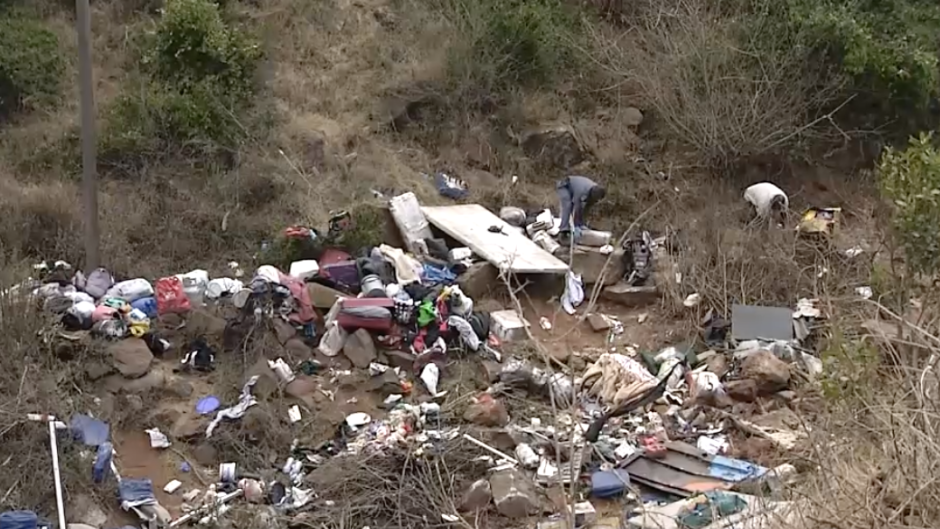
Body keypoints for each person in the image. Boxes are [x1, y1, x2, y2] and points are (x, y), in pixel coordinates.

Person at [557, 175, 606, 241]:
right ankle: (563, 230)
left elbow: (587, 207)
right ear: (592, 194)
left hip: (575, 187)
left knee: (582, 207)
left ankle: (580, 224)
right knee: (568, 206)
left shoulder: (597, 191)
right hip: (565, 186)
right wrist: (576, 225)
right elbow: (577, 206)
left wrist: (582, 224)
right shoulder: (581, 190)